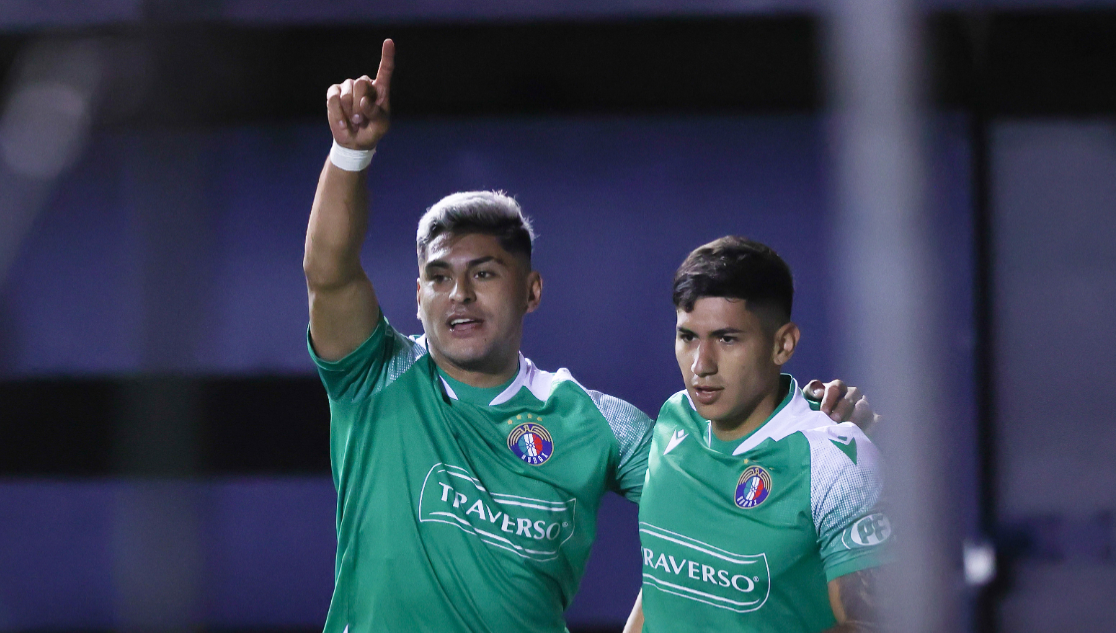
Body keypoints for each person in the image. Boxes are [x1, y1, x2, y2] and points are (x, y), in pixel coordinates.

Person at [306, 40, 873, 633]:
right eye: (439, 277)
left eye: (484, 274)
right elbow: (329, 273)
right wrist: (349, 155)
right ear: (417, 295)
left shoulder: (595, 423)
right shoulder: (374, 378)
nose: (459, 295)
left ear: (532, 292)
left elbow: (722, 486)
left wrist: (820, 433)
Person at [624, 237, 890, 633]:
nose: (701, 365)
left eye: (727, 339)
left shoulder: (835, 461)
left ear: (783, 344)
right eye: (688, 337)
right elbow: (666, 579)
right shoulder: (674, 419)